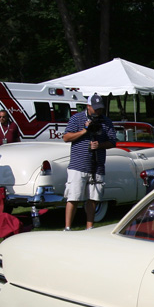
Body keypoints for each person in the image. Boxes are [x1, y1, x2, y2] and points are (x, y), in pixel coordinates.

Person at [61, 93, 116, 230]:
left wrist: (100, 145)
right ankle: (67, 227)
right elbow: (66, 137)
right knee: (73, 197)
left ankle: (89, 227)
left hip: (97, 165)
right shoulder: (77, 118)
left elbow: (113, 142)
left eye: (100, 108)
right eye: (96, 108)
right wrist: (85, 131)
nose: (98, 111)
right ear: (88, 106)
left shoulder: (106, 121)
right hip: (78, 165)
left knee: (93, 197)